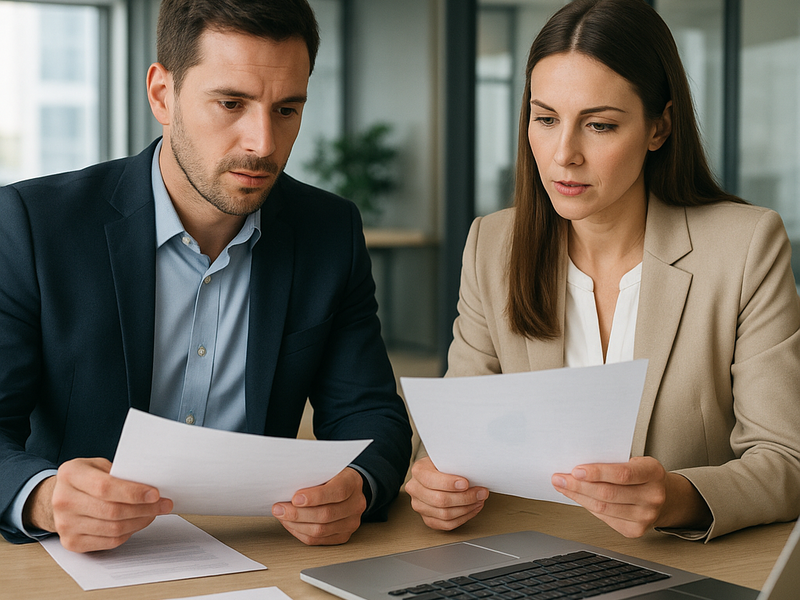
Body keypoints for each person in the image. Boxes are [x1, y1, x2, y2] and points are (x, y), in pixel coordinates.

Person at [0, 0, 412, 553]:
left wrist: (356, 486)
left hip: (261, 552)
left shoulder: (329, 232)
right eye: (231, 103)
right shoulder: (33, 226)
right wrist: (44, 497)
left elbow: (370, 414)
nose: (263, 143)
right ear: (161, 95)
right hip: (83, 561)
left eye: (286, 109)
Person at [406, 0, 800, 542]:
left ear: (659, 127)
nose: (564, 154)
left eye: (599, 125)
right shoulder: (492, 245)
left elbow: (785, 460)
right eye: (546, 119)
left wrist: (677, 498)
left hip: (682, 563)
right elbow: (450, 442)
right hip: (530, 556)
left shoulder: (746, 246)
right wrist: (435, 481)